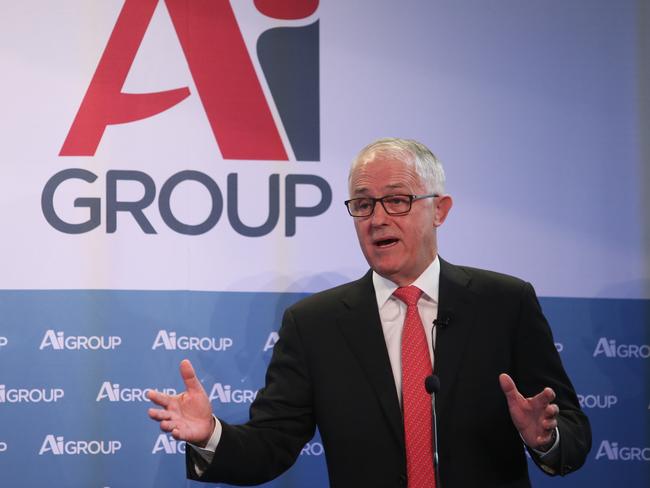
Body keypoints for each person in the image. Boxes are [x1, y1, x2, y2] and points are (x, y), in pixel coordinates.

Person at [148, 138, 591, 487]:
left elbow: (571, 429)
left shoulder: (505, 303)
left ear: (439, 210)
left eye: (397, 200)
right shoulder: (315, 325)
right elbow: (271, 445)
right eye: (362, 204)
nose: (377, 218)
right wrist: (210, 434)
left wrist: (546, 437)